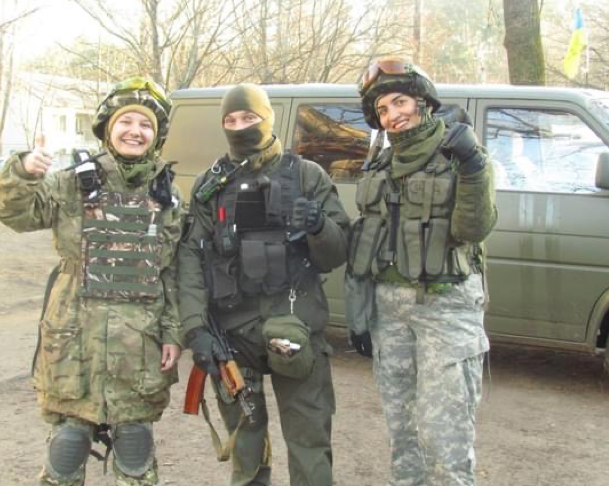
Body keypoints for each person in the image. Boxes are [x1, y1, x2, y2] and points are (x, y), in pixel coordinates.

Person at [0, 78, 184, 486]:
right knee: (68, 443)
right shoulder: (71, 182)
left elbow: (170, 272)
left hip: (139, 342)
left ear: (156, 135)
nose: (135, 131)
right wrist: (24, 173)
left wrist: (173, 333)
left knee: (135, 444)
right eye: (126, 121)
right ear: (108, 128)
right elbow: (14, 214)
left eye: (145, 125)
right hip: (75, 339)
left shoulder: (167, 194)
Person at [178, 83, 349, 486]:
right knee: (246, 446)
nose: (241, 127)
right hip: (231, 336)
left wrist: (319, 227)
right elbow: (189, 259)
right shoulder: (210, 185)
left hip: (296, 327)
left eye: (249, 117)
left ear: (267, 118)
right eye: (231, 120)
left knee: (309, 443)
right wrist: (195, 329)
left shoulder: (307, 175)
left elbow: (338, 252)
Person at [346, 59, 498, 486]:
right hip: (389, 315)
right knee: (403, 435)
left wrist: (472, 165)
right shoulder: (380, 164)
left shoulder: (460, 154)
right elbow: (369, 242)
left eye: (400, 102)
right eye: (383, 110)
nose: (393, 115)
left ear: (422, 101)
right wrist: (362, 316)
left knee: (445, 438)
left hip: (445, 310)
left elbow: (473, 229)